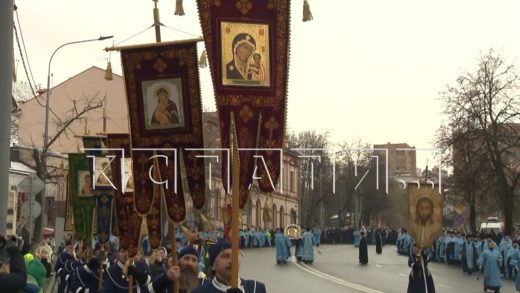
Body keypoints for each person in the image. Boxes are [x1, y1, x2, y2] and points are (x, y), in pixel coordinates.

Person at [192, 239, 267, 293]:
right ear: (213, 266)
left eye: (235, 256)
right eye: (225, 256)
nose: (232, 261)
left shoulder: (256, 288)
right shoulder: (200, 291)